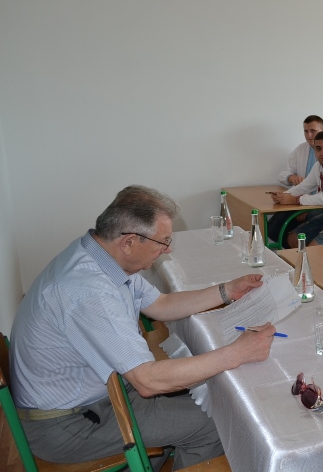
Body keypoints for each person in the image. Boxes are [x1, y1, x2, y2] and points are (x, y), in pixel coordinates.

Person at [10, 186, 277, 469]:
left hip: (97, 397)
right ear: (129, 242)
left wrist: (227, 291)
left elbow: (161, 304)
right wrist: (238, 353)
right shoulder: (89, 291)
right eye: (163, 241)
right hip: (70, 425)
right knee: (218, 424)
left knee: (206, 398)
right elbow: (147, 382)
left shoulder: (101, 257)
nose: (167, 249)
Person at [270, 115, 323, 247]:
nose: (309, 135)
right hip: (300, 200)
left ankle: (299, 252)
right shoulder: (301, 149)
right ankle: (294, 253)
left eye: (313, 131)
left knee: (295, 228)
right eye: (306, 131)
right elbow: (283, 173)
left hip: (321, 205)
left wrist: (306, 206)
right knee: (273, 228)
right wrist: (291, 178)